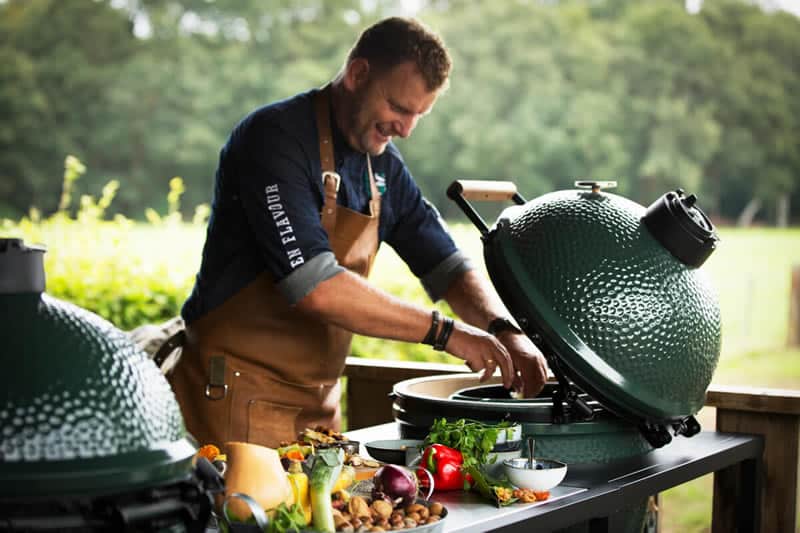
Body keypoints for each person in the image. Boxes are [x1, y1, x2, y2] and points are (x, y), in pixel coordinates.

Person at [168, 16, 548, 449]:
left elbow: (447, 267)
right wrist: (448, 333)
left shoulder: (382, 165)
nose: (405, 128)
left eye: (418, 115)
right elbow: (317, 287)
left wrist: (505, 330)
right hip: (232, 398)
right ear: (357, 74)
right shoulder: (274, 140)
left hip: (319, 408)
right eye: (399, 108)